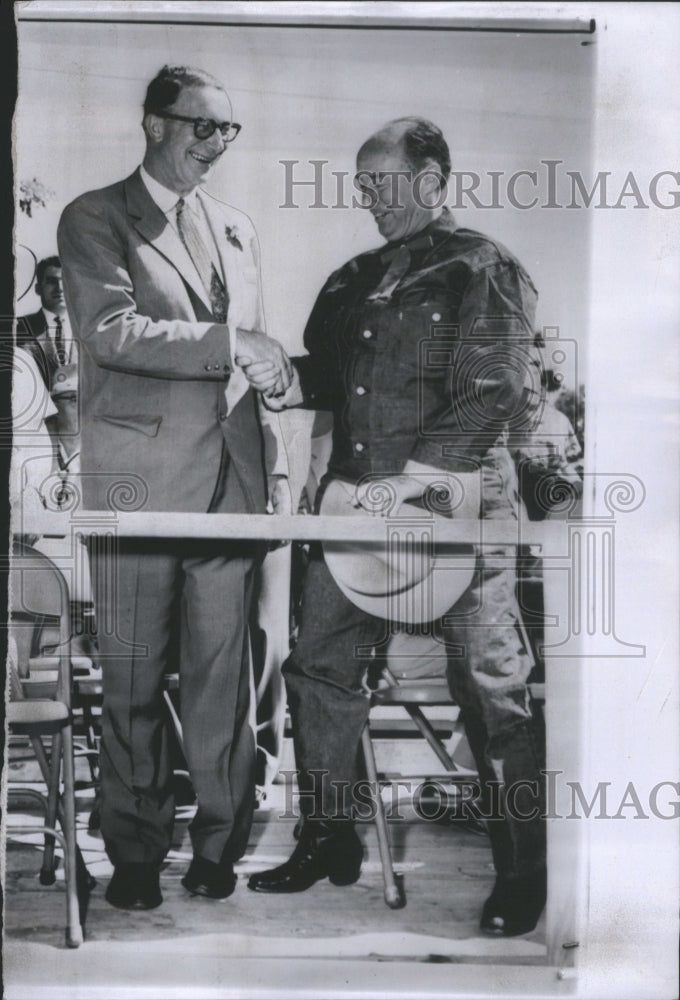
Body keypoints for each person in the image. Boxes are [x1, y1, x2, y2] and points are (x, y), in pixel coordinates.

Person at [243, 117, 546, 936]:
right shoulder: (351, 279)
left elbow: (499, 387)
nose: (365, 195)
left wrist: (418, 482)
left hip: (457, 507)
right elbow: (334, 380)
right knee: (319, 670)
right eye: (361, 182)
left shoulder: (482, 266)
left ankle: (522, 873)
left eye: (380, 180)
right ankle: (329, 837)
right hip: (356, 512)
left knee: (491, 689)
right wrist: (282, 373)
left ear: (434, 177)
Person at [57, 64, 291, 911]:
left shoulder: (236, 227)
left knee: (224, 685)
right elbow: (111, 331)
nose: (215, 144)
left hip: (231, 485)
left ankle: (218, 846)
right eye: (202, 126)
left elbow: (244, 352)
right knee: (131, 683)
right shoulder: (93, 217)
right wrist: (236, 344)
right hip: (136, 488)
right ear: (153, 123)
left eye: (228, 131)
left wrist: (272, 377)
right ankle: (134, 852)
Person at [17, 256, 76, 392]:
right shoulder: (17, 329)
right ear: (38, 289)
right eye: (51, 282)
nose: (60, 288)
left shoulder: (88, 329)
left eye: (65, 281)